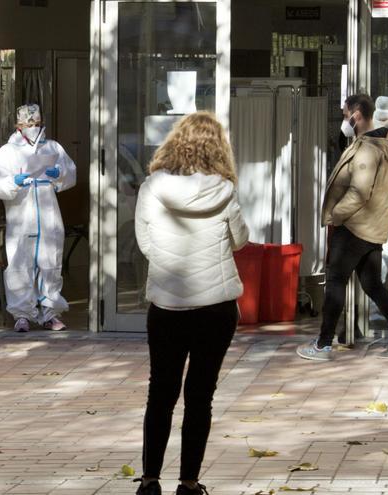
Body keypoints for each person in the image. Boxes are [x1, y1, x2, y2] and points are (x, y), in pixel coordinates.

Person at [133, 112, 249, 495]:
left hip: (166, 304)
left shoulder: (152, 187)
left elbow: (145, 243)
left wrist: (168, 265)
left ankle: (150, 480)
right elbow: (239, 241)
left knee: (160, 393)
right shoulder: (225, 190)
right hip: (215, 306)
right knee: (201, 395)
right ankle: (189, 482)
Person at [297, 94, 388, 361]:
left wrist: (337, 215)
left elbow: (359, 191)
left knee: (336, 281)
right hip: (370, 225)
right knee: (372, 284)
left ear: (356, 115)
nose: (344, 120)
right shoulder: (382, 143)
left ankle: (323, 344)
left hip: (355, 226)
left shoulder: (367, 148)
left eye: (344, 115)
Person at [0, 103, 76, 332]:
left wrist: (60, 175)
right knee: (20, 264)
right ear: (18, 125)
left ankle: (50, 312)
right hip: (21, 216)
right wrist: (13, 183)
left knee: (50, 263)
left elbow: (70, 173)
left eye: (37, 124)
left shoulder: (53, 148)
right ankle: (22, 314)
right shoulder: (6, 153)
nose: (34, 128)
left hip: (48, 215)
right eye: (29, 124)